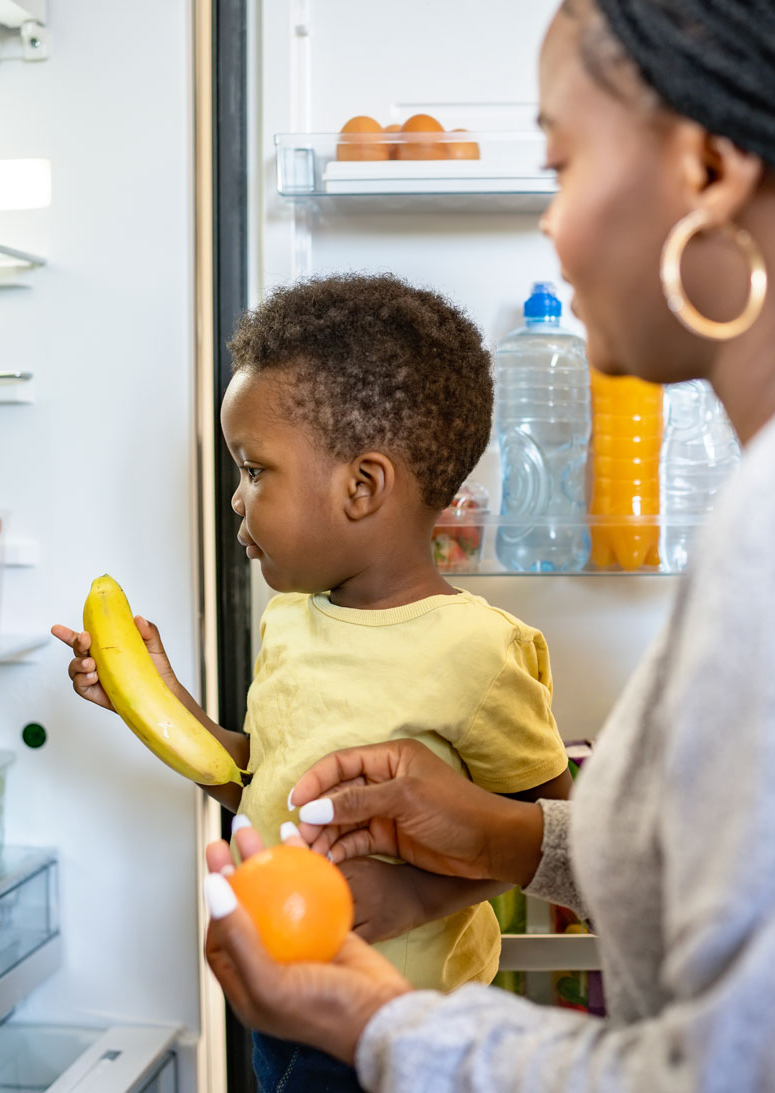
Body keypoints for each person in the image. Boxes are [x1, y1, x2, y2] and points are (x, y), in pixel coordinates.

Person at [200, 0, 775, 1088]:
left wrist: (380, 1024)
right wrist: (507, 839)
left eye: (563, 163)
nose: (551, 222)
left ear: (710, 170)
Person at [53, 272, 571, 1091]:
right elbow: (262, 784)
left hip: (399, 1019)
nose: (237, 499)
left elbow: (543, 835)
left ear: (362, 487)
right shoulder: (290, 618)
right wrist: (161, 703)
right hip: (283, 997)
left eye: (255, 470)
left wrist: (412, 896)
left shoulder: (478, 649)